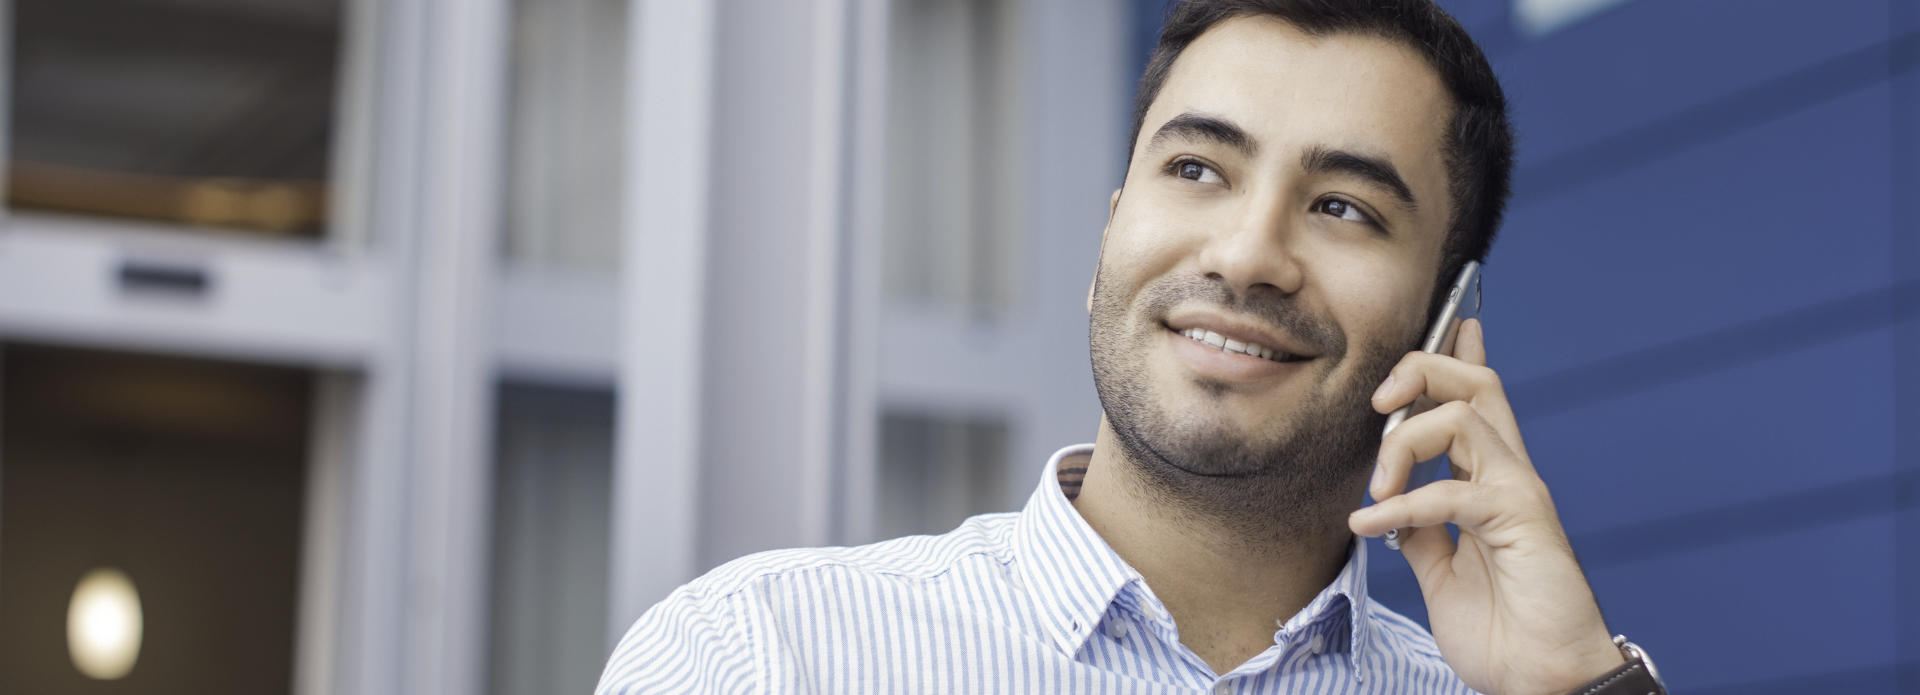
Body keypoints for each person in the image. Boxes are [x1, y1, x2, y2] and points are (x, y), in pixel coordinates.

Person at [597, 1, 1667, 693]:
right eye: (1198, 169)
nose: (1249, 254)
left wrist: (1581, 684)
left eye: (1341, 206)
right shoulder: (761, 653)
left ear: (1447, 316)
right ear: (1113, 229)